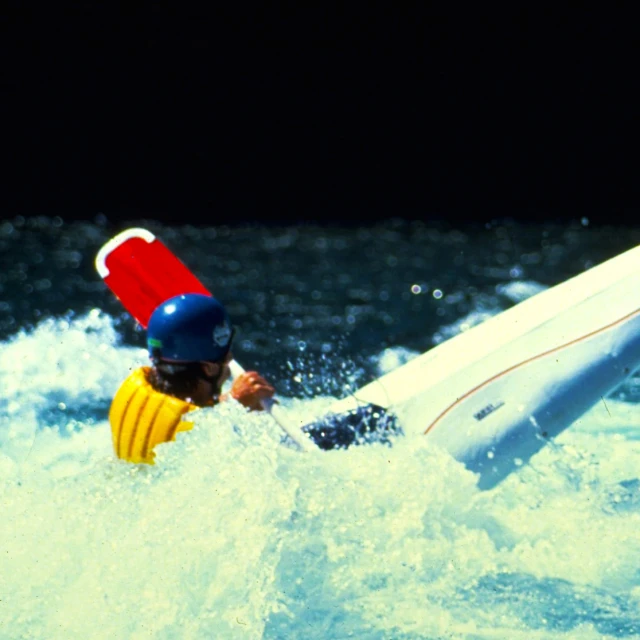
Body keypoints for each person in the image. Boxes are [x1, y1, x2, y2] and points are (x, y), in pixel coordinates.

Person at [108, 293, 275, 464]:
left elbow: (186, 411)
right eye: (226, 354)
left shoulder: (134, 389)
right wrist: (234, 404)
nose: (230, 356)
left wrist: (232, 400)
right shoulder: (190, 434)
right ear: (209, 368)